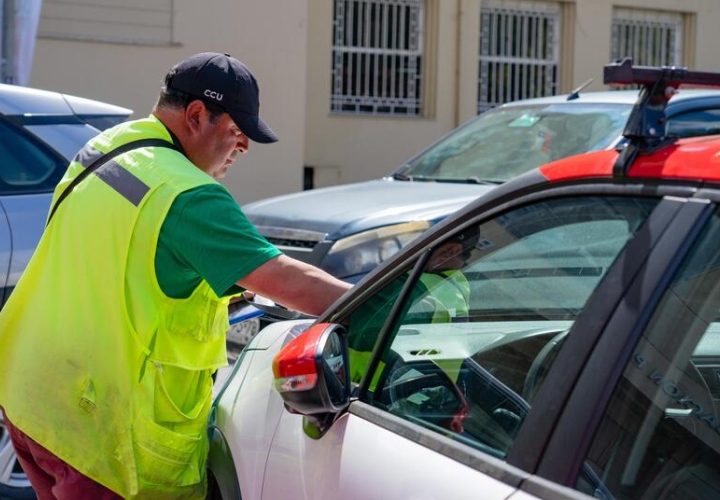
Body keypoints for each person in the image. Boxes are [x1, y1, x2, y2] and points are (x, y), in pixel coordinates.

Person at [0, 52, 351, 499]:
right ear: (197, 115)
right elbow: (286, 279)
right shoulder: (187, 194)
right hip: (99, 437)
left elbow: (118, 262)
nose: (243, 147)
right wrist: (384, 301)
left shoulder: (106, 147)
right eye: (237, 132)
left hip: (33, 399)